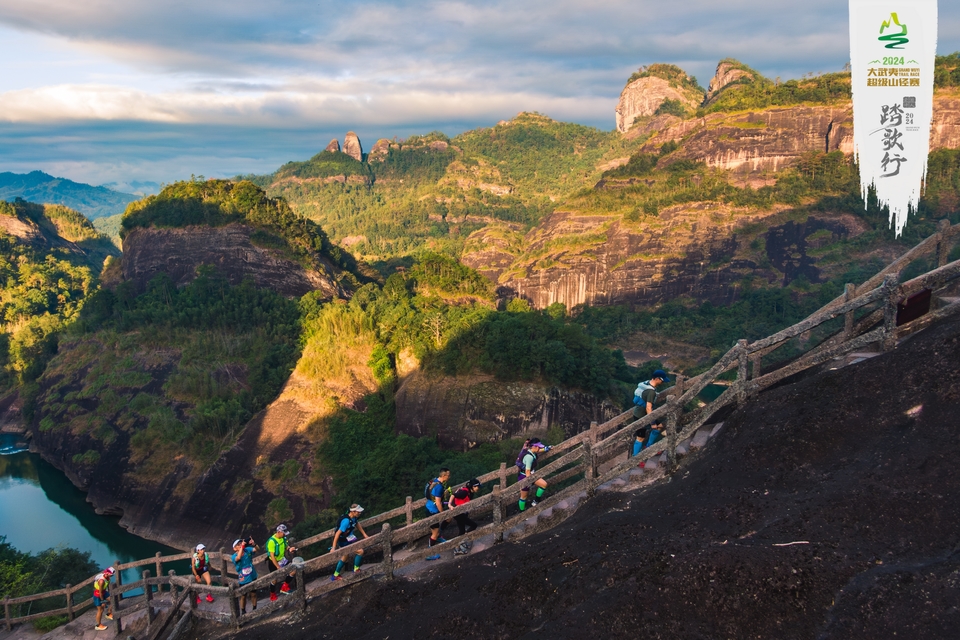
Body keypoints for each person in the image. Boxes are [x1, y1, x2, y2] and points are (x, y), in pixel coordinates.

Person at [330, 504, 370, 581]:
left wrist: (364, 534)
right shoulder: (346, 521)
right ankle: (356, 569)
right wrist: (333, 547)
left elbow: (357, 524)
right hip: (343, 540)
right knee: (360, 551)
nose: (360, 513)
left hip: (349, 538)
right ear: (353, 512)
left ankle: (336, 574)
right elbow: (337, 534)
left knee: (345, 556)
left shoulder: (354, 518)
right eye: (358, 512)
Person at [634, 369, 670, 447]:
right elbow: (648, 407)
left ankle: (648, 446)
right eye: (662, 380)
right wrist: (652, 422)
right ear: (657, 379)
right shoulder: (651, 391)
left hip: (643, 413)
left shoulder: (646, 383)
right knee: (640, 438)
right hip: (641, 416)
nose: (663, 382)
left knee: (659, 427)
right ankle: (636, 455)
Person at [266, 524, 297, 601]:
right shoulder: (272, 541)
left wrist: (290, 549)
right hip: (273, 562)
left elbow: (286, 546)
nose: (284, 535)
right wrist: (277, 566)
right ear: (279, 532)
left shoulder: (283, 538)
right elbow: (272, 556)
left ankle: (285, 586)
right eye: (283, 533)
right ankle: (272, 594)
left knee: (293, 569)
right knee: (274, 579)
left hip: (282, 559)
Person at [517, 439, 549, 511]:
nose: (539, 448)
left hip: (528, 475)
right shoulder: (529, 457)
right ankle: (522, 512)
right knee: (523, 496)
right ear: (534, 446)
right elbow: (527, 471)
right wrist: (530, 481)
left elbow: (539, 450)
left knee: (544, 484)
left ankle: (536, 501)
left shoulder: (531, 452)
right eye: (538, 447)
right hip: (524, 477)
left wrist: (547, 448)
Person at [424, 468, 451, 547]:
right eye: (448, 475)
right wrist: (443, 514)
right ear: (443, 475)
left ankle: (439, 535)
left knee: (449, 518)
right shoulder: (439, 487)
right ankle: (430, 551)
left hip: (428, 507)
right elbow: (438, 503)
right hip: (433, 511)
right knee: (434, 534)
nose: (449, 477)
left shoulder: (434, 480)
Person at [232, 537, 258, 614]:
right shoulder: (233, 556)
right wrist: (242, 547)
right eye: (238, 544)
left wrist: (254, 544)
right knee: (243, 596)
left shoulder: (247, 550)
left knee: (253, 594)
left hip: (252, 576)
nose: (240, 545)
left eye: (241, 543)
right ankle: (243, 611)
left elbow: (256, 549)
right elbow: (238, 558)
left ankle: (254, 609)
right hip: (243, 579)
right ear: (234, 548)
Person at [93, 566, 115, 631]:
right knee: (100, 610)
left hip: (104, 592)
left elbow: (106, 587)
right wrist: (103, 601)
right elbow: (100, 593)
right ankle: (98, 625)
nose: (112, 575)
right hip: (98, 595)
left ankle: (109, 613)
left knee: (113, 600)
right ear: (107, 573)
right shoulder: (101, 581)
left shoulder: (108, 578)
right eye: (111, 574)